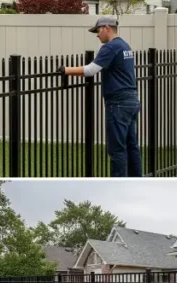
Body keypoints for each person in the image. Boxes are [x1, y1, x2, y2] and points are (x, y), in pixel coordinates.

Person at [59, 16, 141, 177]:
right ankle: (137, 180)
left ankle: (119, 184)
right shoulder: (125, 45)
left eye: (98, 31)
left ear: (106, 28)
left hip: (118, 103)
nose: (97, 35)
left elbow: (91, 70)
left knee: (117, 149)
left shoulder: (110, 47)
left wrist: (65, 70)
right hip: (132, 100)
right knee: (132, 146)